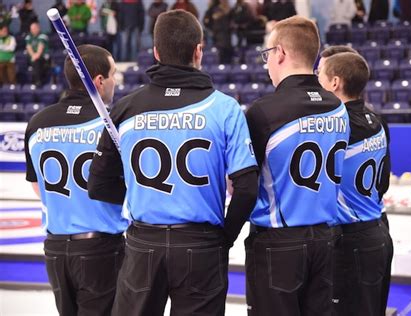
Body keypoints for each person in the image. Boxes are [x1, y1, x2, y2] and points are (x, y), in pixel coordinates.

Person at [88, 9, 258, 316]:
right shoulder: (225, 108)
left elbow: (98, 184)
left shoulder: (124, 109)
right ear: (198, 51)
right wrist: (225, 238)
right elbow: (246, 189)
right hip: (202, 244)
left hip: (144, 244)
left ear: (155, 53)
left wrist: (141, 195)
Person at [244, 16, 350, 315]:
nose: (267, 64)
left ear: (280, 53)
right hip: (325, 239)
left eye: (267, 55)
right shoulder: (337, 106)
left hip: (279, 241)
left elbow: (244, 183)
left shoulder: (264, 111)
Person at [23, 44, 128, 316]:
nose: (116, 81)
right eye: (114, 74)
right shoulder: (111, 124)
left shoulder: (37, 123)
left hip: (56, 249)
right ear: (99, 81)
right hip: (100, 249)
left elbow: (38, 186)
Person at [318, 49, 394, 316]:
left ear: (335, 82)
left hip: (351, 240)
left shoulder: (336, 125)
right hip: (378, 230)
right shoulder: (377, 120)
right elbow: (383, 180)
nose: (317, 81)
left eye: (320, 75)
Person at [26, 22, 49, 87]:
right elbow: (28, 47)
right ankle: (36, 81)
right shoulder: (29, 36)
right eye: (32, 29)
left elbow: (40, 47)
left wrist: (36, 56)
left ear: (38, 28)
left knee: (37, 62)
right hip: (33, 58)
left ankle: (37, 81)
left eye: (35, 28)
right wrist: (33, 56)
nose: (33, 30)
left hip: (43, 57)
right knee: (34, 61)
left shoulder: (43, 35)